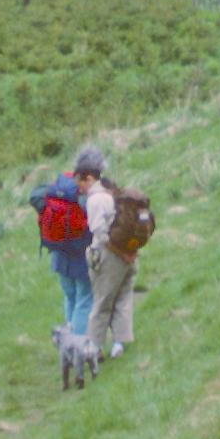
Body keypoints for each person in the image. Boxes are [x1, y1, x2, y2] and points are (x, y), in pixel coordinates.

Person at [82, 147, 151, 360]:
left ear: (89, 177)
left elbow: (100, 233)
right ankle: (119, 344)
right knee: (123, 297)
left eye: (80, 180)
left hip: (111, 256)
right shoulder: (115, 192)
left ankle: (94, 347)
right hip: (130, 252)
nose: (79, 186)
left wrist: (120, 254)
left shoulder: (95, 199)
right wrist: (130, 253)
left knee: (102, 302)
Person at [35, 155, 97, 350]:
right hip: (79, 254)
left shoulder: (56, 190)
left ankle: (67, 340)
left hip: (59, 254)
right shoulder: (83, 197)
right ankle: (78, 345)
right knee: (84, 299)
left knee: (69, 297)